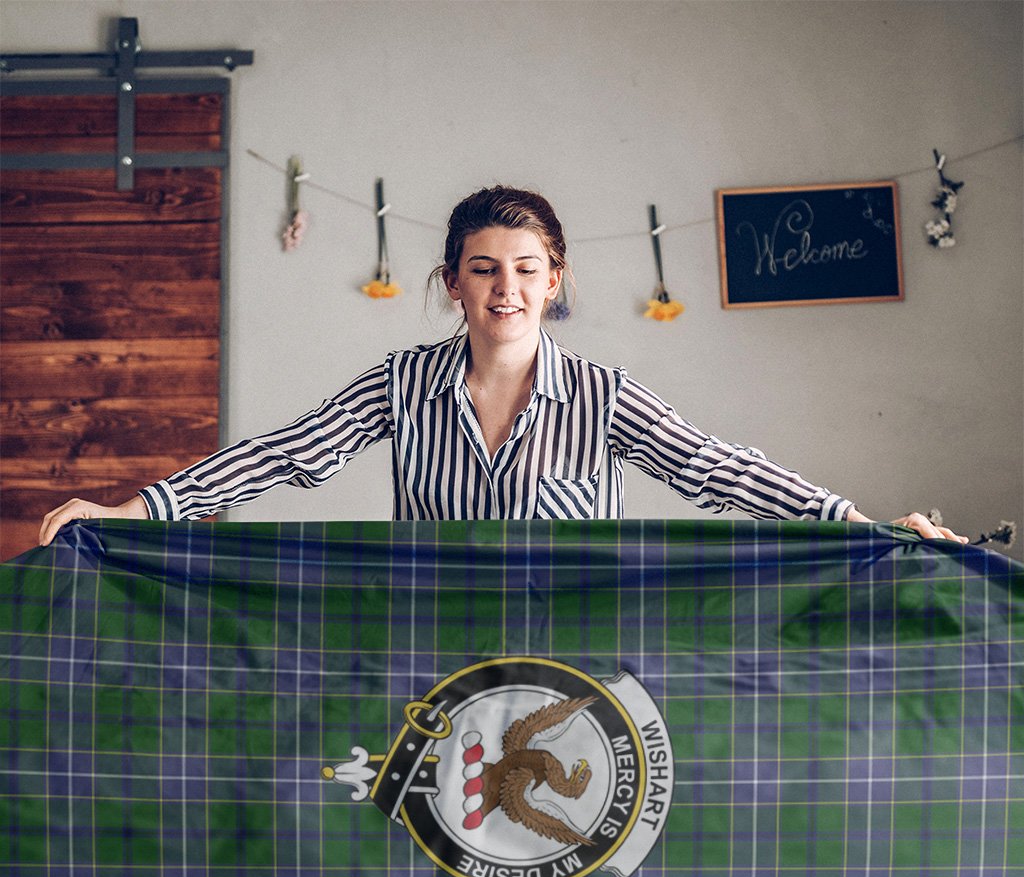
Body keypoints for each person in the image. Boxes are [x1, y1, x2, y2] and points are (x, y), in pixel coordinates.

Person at [38, 185, 968, 546]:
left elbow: (718, 468)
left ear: (555, 281)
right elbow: (284, 455)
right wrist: (131, 511)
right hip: (430, 661)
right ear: (453, 283)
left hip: (578, 667)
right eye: (484, 269)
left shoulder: (604, 398)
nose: (506, 289)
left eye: (527, 271)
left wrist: (860, 523)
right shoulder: (401, 383)